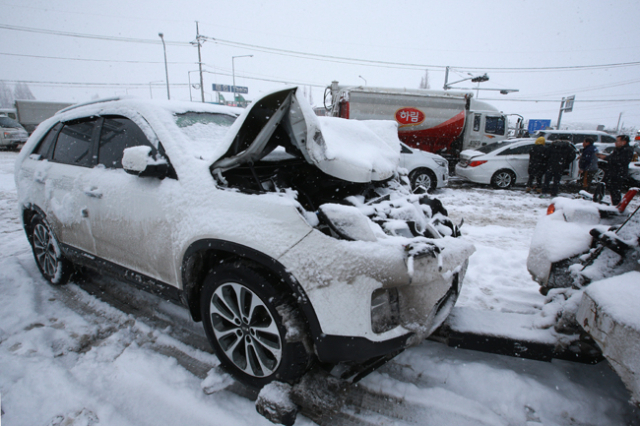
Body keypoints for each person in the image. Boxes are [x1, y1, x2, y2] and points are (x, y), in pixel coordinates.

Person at [597, 135, 634, 205]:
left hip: (619, 173)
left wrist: (607, 158)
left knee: (615, 190)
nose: (615, 143)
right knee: (610, 189)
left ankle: (617, 205)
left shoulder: (627, 150)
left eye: (617, 141)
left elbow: (621, 161)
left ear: (624, 142)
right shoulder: (618, 149)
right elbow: (612, 157)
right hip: (613, 172)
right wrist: (604, 157)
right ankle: (614, 204)